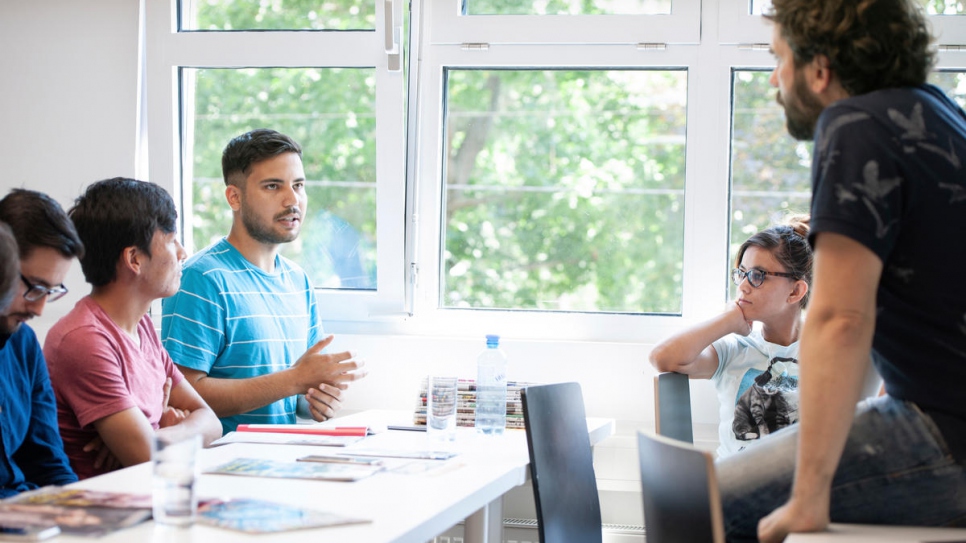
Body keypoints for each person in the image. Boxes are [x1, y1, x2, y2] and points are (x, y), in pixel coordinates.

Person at [717, 1, 966, 541]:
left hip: (947, 434)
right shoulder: (942, 116)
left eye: (779, 59)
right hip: (944, 417)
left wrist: (810, 498)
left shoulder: (855, 124)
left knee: (697, 502)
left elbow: (840, 318)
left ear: (820, 68)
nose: (774, 81)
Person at [161, 129, 367, 433]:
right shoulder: (201, 278)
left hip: (280, 462)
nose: (292, 199)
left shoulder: (298, 281)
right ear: (234, 196)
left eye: (298, 185)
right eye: (273, 186)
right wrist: (295, 380)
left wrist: (316, 398)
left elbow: (296, 391)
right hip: (222, 468)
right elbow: (183, 397)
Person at [44, 178, 222, 479]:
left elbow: (211, 422)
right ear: (135, 259)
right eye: (171, 239)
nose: (182, 253)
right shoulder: (84, 339)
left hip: (141, 493)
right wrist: (156, 439)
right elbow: (145, 456)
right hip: (97, 511)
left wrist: (159, 436)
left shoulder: (142, 328)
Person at [650, 217, 813, 458]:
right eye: (742, 273)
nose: (744, 287)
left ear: (795, 291)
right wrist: (727, 321)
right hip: (732, 485)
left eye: (758, 275)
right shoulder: (734, 349)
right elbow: (663, 357)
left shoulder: (827, 354)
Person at [0, 189, 82, 496]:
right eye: (34, 288)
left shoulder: (24, 345)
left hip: (26, 512)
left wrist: (83, 510)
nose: (39, 309)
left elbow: (48, 462)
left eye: (51, 291)